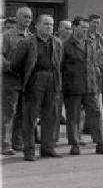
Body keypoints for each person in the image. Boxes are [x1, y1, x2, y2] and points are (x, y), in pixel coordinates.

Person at [10, 14, 63, 161]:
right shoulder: (27, 42)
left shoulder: (57, 43)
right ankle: (29, 150)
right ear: (37, 26)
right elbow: (15, 64)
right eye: (46, 24)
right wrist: (28, 77)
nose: (49, 27)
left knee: (50, 116)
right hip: (35, 80)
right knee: (30, 118)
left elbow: (59, 63)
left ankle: (47, 148)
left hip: (52, 79)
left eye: (51, 25)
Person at [62, 16, 103, 155]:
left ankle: (100, 144)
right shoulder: (65, 45)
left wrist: (96, 82)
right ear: (74, 27)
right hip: (73, 87)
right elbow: (60, 67)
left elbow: (93, 64)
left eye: (86, 28)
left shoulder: (90, 43)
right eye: (82, 27)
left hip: (90, 86)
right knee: (73, 117)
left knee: (96, 114)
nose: (85, 30)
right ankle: (74, 144)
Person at [1, 6, 33, 155]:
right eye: (25, 17)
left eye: (30, 17)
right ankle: (4, 144)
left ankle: (17, 142)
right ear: (17, 17)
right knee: (9, 113)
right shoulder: (7, 36)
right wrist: (10, 67)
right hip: (10, 80)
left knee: (22, 112)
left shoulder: (32, 37)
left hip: (26, 81)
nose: (28, 20)